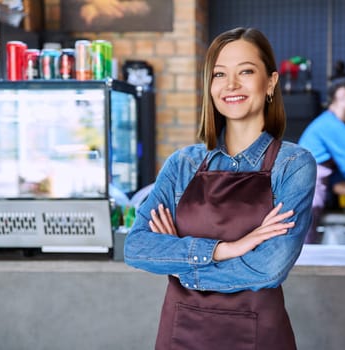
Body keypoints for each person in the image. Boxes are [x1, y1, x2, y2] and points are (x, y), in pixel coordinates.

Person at [124, 27, 316, 349]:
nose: (231, 85)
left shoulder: (293, 164)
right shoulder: (182, 164)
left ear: (270, 82)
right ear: (210, 87)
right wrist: (227, 248)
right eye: (219, 74)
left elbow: (268, 269)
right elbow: (137, 247)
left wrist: (185, 266)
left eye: (246, 71)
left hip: (257, 337)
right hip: (179, 334)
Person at [298, 75, 345, 244]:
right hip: (306, 196)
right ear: (341, 95)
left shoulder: (326, 123)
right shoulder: (333, 127)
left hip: (306, 195)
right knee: (302, 252)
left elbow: (339, 186)